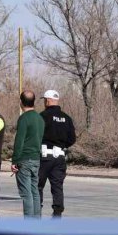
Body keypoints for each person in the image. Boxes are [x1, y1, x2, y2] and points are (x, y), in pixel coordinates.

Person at [39, 90, 77, 218]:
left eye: (44, 100)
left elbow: (35, 135)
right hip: (59, 157)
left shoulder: (42, 116)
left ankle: (36, 213)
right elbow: (72, 139)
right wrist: (61, 145)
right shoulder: (67, 118)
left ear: (47, 101)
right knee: (57, 187)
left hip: (44, 157)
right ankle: (57, 215)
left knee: (38, 185)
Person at [10, 91, 44, 219]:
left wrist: (14, 161)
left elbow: (19, 141)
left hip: (24, 159)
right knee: (35, 191)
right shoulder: (39, 118)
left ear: (21, 102)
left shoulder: (24, 118)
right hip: (36, 158)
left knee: (26, 193)